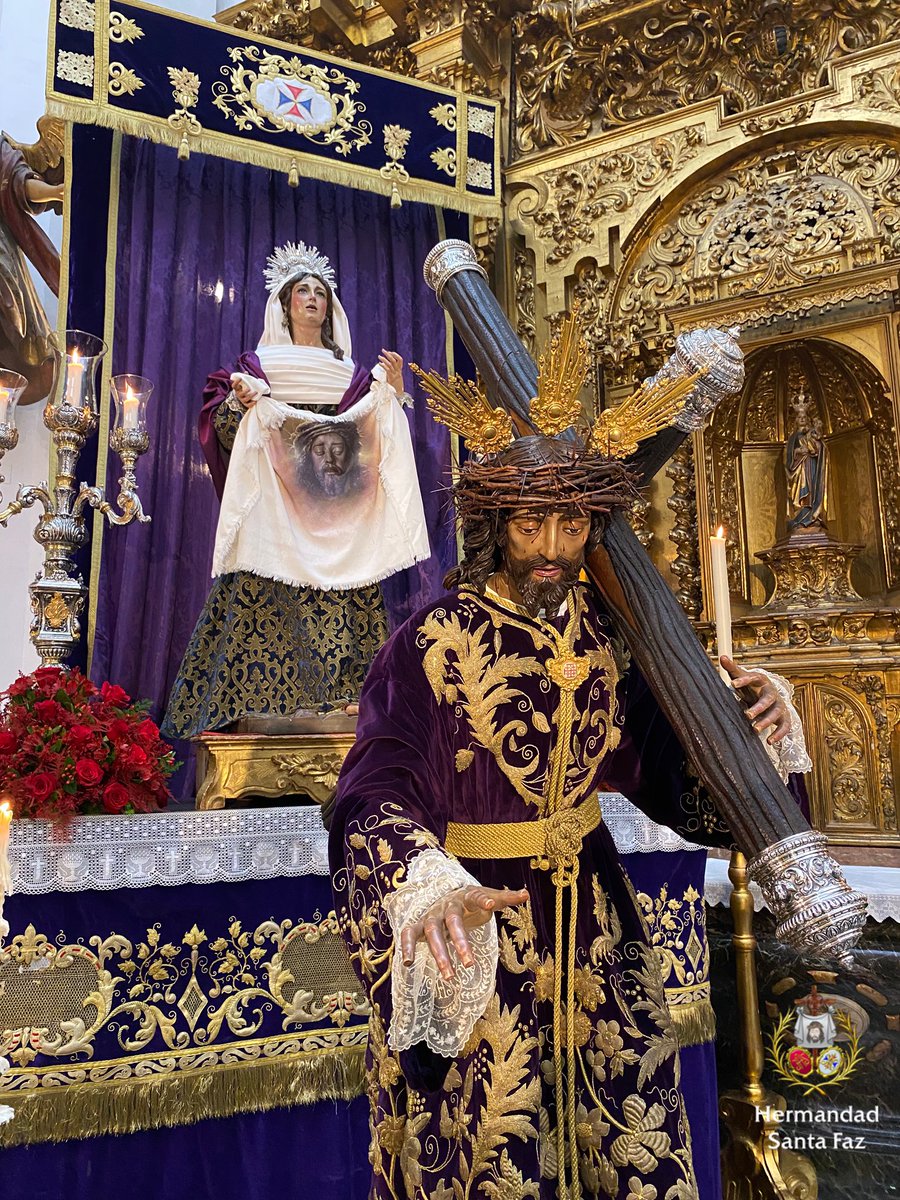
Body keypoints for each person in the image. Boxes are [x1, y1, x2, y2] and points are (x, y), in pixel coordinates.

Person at [330, 433, 799, 1200]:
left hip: (595, 923)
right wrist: (425, 881)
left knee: (626, 1126)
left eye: (573, 527)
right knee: (488, 1139)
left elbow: (675, 769)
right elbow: (371, 788)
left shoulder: (615, 632)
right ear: (495, 523)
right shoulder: (430, 640)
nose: (552, 550)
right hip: (479, 918)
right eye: (530, 526)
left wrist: (751, 732)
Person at [163, 242, 430, 739]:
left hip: (335, 515)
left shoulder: (350, 376)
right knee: (264, 602)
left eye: (320, 292)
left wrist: (391, 392)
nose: (312, 298)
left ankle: (343, 713)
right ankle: (260, 717)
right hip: (277, 513)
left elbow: (373, 440)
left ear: (330, 308)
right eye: (302, 291)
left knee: (347, 610)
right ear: (285, 303)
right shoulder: (257, 366)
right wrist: (242, 405)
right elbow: (222, 429)